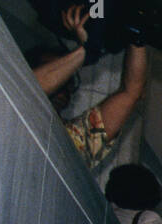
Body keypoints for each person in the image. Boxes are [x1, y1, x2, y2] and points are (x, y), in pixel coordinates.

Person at [27, 5, 147, 170]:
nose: (62, 84)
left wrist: (137, 34)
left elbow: (131, 92)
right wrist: (85, 51)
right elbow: (27, 89)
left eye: (66, 79)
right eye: (55, 71)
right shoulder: (4, 100)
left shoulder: (74, 141)